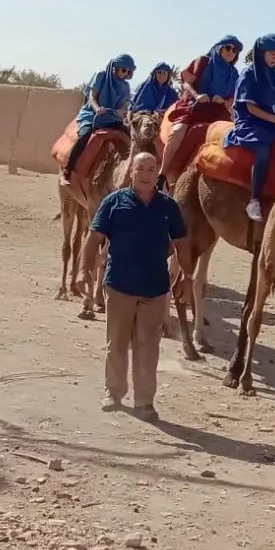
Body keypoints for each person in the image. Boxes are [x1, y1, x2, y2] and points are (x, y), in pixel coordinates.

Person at [81, 152, 193, 422]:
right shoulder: (113, 202)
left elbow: (181, 243)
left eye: (151, 169)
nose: (145, 174)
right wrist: (83, 271)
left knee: (148, 346)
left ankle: (145, 402)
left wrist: (187, 277)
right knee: (117, 344)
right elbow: (94, 237)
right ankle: (114, 392)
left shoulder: (168, 206)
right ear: (131, 171)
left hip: (155, 289)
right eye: (140, 168)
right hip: (119, 286)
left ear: (157, 173)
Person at [224, 33, 275, 222]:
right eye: (273, 53)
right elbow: (249, 107)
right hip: (252, 123)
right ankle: (254, 200)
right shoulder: (249, 74)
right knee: (263, 150)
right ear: (262, 52)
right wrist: (274, 119)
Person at [156, 35, 242, 189]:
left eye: (235, 50)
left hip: (217, 112)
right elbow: (186, 83)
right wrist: (197, 95)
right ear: (219, 47)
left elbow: (232, 99)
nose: (231, 52)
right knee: (177, 132)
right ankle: (162, 174)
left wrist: (223, 100)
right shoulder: (203, 62)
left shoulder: (234, 73)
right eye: (228, 47)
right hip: (193, 105)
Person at [62, 54, 135, 181]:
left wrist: (121, 110)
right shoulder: (101, 76)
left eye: (128, 71)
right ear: (115, 68)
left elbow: (126, 102)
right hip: (93, 115)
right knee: (85, 135)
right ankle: (68, 168)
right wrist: (97, 108)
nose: (125, 73)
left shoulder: (125, 86)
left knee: (132, 137)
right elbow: (92, 96)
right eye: (123, 70)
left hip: (113, 118)